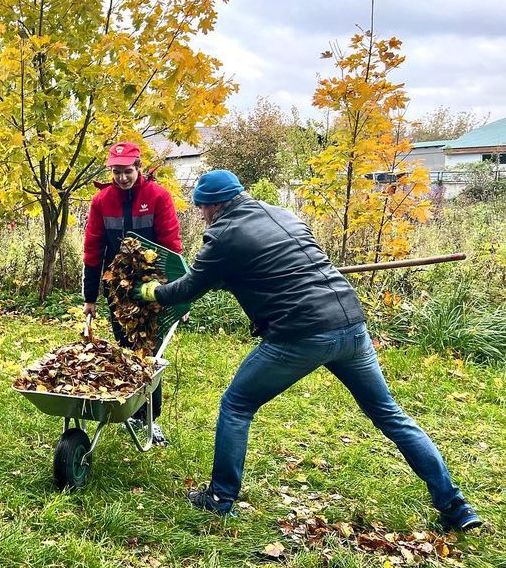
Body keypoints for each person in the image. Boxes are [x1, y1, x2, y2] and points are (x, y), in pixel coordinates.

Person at [138, 169, 481, 531]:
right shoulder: (283, 214)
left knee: (237, 405)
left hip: (301, 334)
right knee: (390, 415)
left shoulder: (222, 235)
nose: (202, 216)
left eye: (202, 210)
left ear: (213, 206)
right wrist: (232, 279)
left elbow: (188, 288)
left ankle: (221, 498)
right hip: (351, 324)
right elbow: (279, 267)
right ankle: (455, 506)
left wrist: (151, 293)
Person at [83, 141, 182, 445]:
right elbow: (93, 249)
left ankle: (151, 420)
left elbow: (172, 246)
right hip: (118, 289)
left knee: (150, 352)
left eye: (127, 171)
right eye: (116, 172)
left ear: (139, 168)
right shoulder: (101, 201)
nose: (122, 177)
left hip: (153, 287)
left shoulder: (157, 196)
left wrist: (177, 295)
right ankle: (132, 409)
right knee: (126, 347)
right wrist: (90, 298)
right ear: (109, 170)